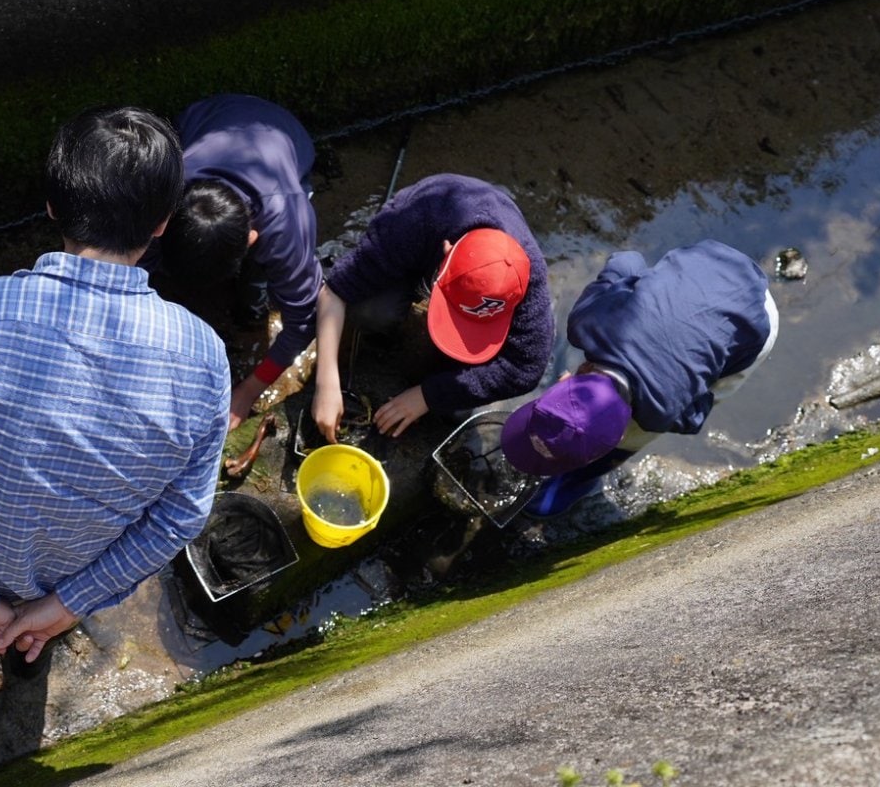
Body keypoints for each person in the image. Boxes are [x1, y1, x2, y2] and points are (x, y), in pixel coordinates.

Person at [0, 105, 231, 726]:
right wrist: (67, 604)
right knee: (35, 638)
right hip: (69, 581)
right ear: (162, 223)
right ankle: (28, 663)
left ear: (51, 206)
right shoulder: (204, 360)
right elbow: (180, 514)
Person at [501, 239, 780, 515]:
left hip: (755, 323)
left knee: (644, 431)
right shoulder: (588, 323)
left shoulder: (660, 412)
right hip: (710, 262)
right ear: (566, 381)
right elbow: (627, 259)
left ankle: (579, 478)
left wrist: (686, 383)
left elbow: (697, 412)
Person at [312, 174, 554, 442]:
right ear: (446, 250)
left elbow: (526, 370)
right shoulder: (412, 223)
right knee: (372, 312)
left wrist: (427, 396)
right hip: (421, 241)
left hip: (457, 258)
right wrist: (326, 381)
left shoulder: (527, 276)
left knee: (456, 406)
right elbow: (334, 291)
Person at [157, 94, 323, 427]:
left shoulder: (286, 221)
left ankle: (251, 284)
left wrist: (248, 391)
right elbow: (137, 259)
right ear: (163, 225)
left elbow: (302, 320)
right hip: (207, 115)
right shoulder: (159, 186)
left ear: (251, 239)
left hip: (286, 135)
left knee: (256, 294)